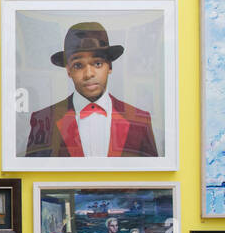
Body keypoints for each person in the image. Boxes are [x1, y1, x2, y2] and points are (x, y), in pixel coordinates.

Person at [24, 21, 159, 158]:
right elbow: (33, 175)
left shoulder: (140, 121)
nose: (89, 74)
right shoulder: (44, 121)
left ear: (110, 67)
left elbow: (153, 177)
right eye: (78, 65)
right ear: (68, 71)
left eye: (98, 63)